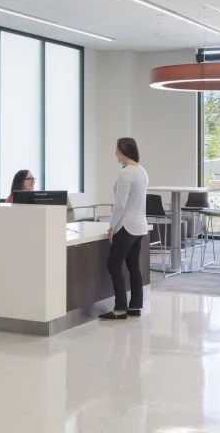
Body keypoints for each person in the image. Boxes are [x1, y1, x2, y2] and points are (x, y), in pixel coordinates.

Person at [100, 137, 149, 321]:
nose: (115, 154)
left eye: (116, 150)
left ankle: (120, 308)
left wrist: (112, 226)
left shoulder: (126, 173)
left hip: (126, 225)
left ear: (122, 150)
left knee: (113, 264)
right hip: (139, 225)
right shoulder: (142, 171)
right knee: (133, 265)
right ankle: (135, 305)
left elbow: (120, 204)